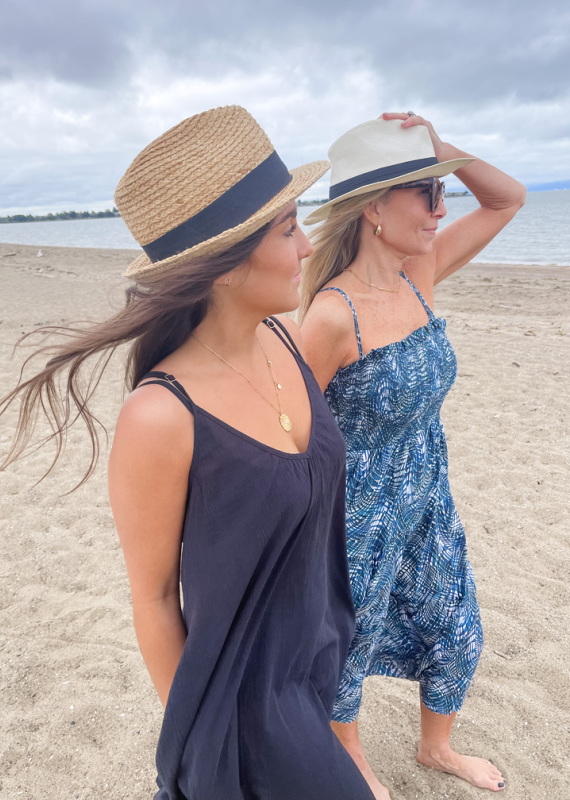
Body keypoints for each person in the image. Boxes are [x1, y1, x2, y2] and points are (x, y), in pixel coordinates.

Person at [0, 106, 376, 800]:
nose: (308, 247)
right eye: (289, 228)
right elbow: (156, 597)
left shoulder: (283, 340)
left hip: (314, 668)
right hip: (244, 711)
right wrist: (202, 747)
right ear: (225, 264)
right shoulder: (162, 415)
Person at [299, 111, 526, 798]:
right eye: (427, 193)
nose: (441, 208)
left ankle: (437, 747)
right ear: (374, 207)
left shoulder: (416, 274)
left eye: (441, 190)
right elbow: (294, 431)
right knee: (352, 643)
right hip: (358, 510)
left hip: (427, 490)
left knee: (454, 620)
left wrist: (440, 150)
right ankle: (352, 759)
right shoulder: (332, 315)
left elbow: (507, 199)